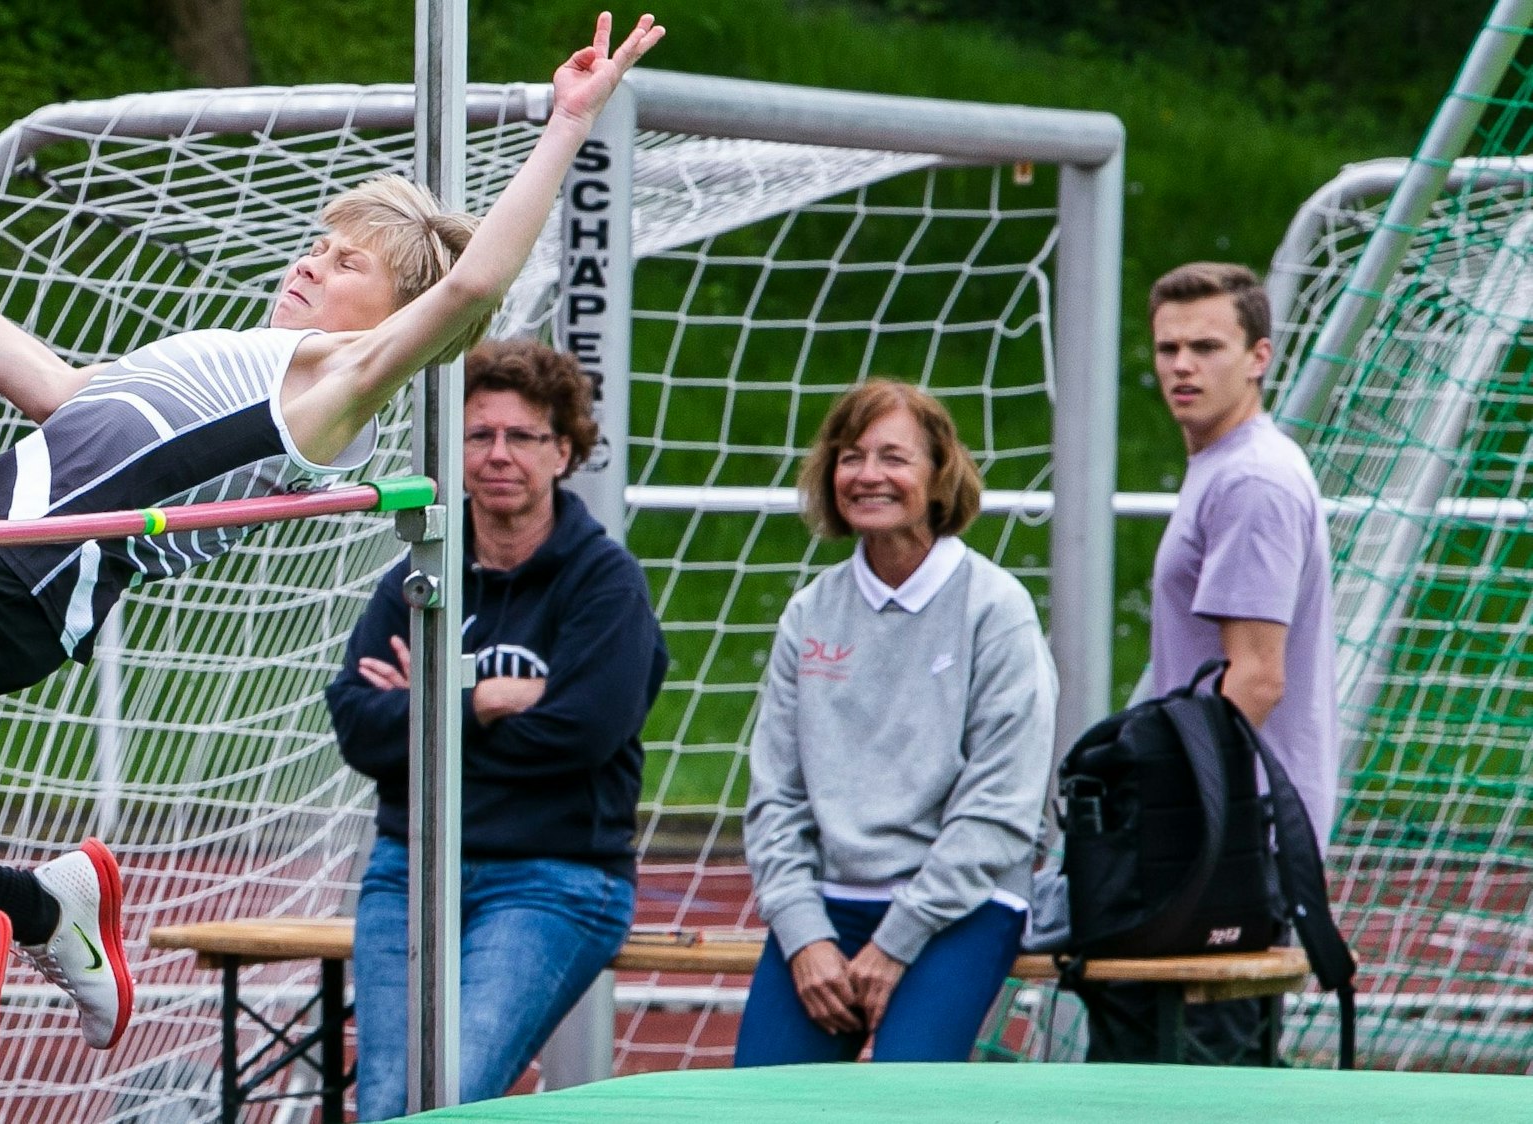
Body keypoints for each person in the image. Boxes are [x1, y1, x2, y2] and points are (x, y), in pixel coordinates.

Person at [0, 14, 666, 1119]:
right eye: (316, 243)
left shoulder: (329, 383)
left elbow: (469, 292)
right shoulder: (231, 361)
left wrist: (563, 124)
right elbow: (64, 394)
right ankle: (34, 904)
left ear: (393, 317)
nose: (313, 261)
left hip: (15, 573)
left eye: (348, 260)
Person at [325, 338, 667, 1120]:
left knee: (446, 1094)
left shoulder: (605, 583)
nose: (498, 455)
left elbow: (582, 735)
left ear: (564, 451)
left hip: (555, 877)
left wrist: (424, 711)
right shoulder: (417, 579)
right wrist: (482, 701)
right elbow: (356, 726)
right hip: (408, 871)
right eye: (479, 436)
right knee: (383, 1101)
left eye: (522, 436)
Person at [733, 379, 1057, 1067]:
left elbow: (1000, 810)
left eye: (892, 456)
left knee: (905, 1099)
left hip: (960, 907)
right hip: (826, 908)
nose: (868, 475)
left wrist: (893, 943)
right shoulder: (810, 613)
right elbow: (774, 800)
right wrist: (804, 936)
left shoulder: (995, 609)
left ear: (940, 476)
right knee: (759, 1108)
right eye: (850, 456)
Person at [1084, 261, 1337, 1065]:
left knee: (1195, 1079)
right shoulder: (1223, 467)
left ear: (1258, 355)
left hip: (1229, 839)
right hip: (1220, 831)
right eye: (1166, 349)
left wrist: (1159, 813)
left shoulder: (1251, 481)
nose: (1180, 366)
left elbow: (1255, 680)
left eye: (1205, 346)